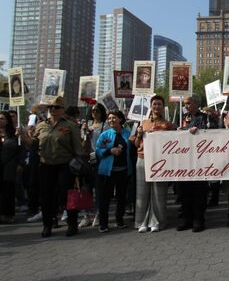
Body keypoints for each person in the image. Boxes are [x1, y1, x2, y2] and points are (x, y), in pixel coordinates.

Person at [24, 96, 85, 237]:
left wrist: (79, 165)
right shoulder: (41, 126)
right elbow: (33, 144)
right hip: (46, 165)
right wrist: (23, 135)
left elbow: (78, 147)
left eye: (56, 107)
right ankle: (47, 225)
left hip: (65, 165)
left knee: (66, 196)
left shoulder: (70, 126)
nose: (53, 109)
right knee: (46, 197)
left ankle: (72, 224)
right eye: (50, 107)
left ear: (63, 110)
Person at [132, 95, 175, 233]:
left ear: (163, 107)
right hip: (143, 159)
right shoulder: (142, 123)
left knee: (159, 192)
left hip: (159, 161)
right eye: (154, 104)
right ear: (150, 106)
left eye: (159, 104)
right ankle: (141, 221)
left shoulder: (168, 125)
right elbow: (136, 144)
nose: (157, 107)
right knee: (142, 192)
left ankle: (157, 221)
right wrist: (139, 134)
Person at [95, 110, 133, 232]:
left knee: (122, 197)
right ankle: (103, 223)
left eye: (114, 118)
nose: (111, 120)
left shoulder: (128, 134)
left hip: (123, 171)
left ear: (120, 119)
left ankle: (119, 220)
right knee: (104, 198)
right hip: (107, 171)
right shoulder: (105, 135)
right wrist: (109, 151)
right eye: (109, 118)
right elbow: (98, 150)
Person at [176, 94, 209, 232]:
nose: (186, 106)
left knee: (199, 192)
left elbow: (211, 133)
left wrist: (198, 132)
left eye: (188, 103)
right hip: (185, 160)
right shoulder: (182, 118)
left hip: (200, 161)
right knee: (185, 191)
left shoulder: (205, 118)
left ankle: (198, 219)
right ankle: (186, 218)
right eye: (185, 103)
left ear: (196, 103)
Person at [0, 111, 24, 223]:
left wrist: (20, 163)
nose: (0, 121)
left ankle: (8, 214)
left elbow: (20, 151)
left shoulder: (14, 134)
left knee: (8, 190)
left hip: (10, 166)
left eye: (2, 119)